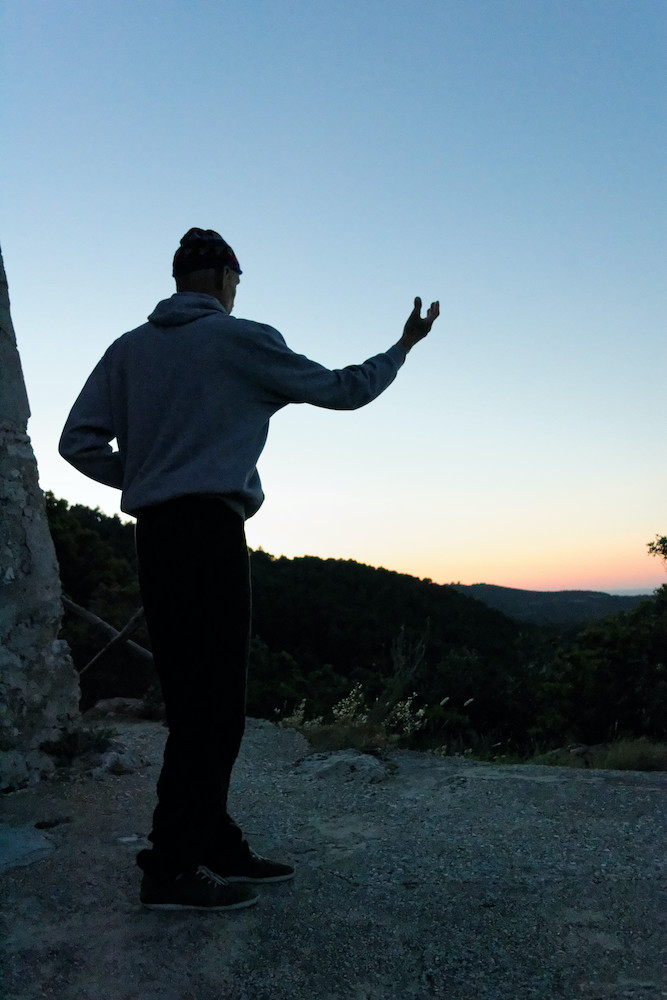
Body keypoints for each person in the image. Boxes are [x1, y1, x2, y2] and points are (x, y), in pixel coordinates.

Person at [59, 227, 440, 912]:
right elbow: (344, 390)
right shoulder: (241, 339)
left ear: (179, 277)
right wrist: (404, 347)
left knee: (189, 700)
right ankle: (171, 865)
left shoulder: (128, 349)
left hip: (155, 534)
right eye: (237, 278)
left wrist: (143, 478)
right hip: (207, 530)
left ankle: (211, 839)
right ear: (226, 277)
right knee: (216, 709)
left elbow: (76, 441)